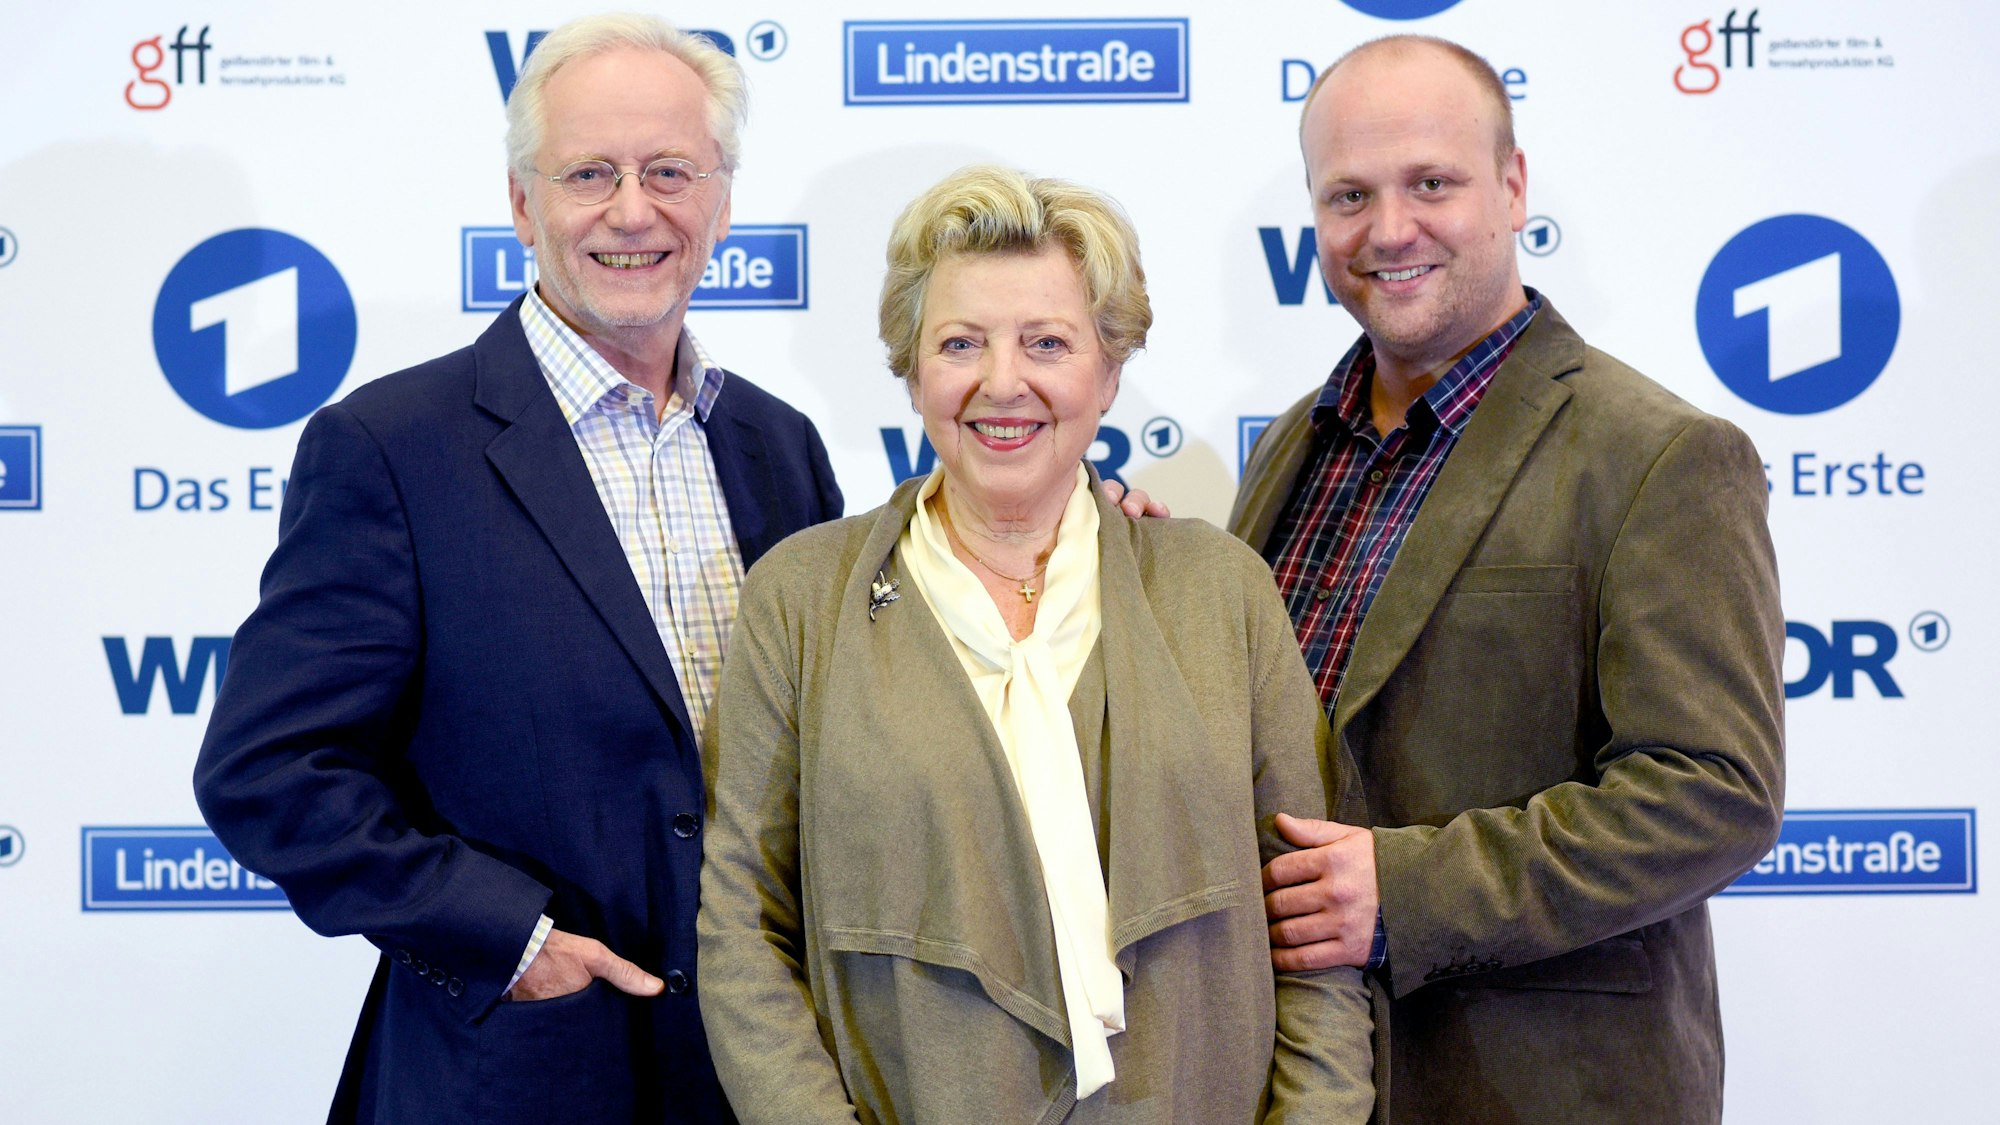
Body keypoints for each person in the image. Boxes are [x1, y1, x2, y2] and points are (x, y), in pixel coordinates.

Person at [192, 15, 842, 1123]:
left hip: (761, 1072)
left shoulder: (779, 448)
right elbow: (271, 771)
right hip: (519, 1073)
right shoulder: (390, 447)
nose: (631, 212)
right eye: (589, 173)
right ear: (522, 203)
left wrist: (1074, 546)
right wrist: (513, 939)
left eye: (669, 172)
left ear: (720, 203)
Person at [697, 166, 1376, 1122]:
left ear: (1108, 368)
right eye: (961, 342)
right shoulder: (802, 600)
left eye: (1046, 342)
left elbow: (1312, 930)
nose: (1001, 381)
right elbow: (742, 933)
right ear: (913, 367)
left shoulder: (1220, 590)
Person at [1231, 35, 1786, 1123]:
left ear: (1513, 185)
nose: (1388, 229)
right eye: (1348, 194)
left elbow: (1711, 791)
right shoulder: (1291, 446)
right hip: (1304, 1082)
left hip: (1542, 1089)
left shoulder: (1660, 454)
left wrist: (1407, 894)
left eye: (1428, 183)